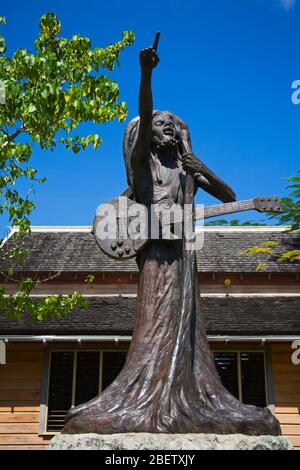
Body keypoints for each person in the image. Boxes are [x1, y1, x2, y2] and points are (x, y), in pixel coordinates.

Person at [63, 46, 280, 435]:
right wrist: (146, 74)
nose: (166, 127)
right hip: (156, 260)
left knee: (188, 328)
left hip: (183, 259)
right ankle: (145, 395)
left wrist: (201, 168)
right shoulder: (143, 168)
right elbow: (145, 115)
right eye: (162, 125)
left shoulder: (186, 172)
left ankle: (190, 394)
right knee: (155, 324)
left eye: (171, 125)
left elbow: (231, 198)